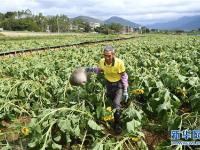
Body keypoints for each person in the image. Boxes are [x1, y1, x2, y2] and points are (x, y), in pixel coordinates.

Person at [85, 45, 128, 134]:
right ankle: (117, 113)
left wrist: (125, 89)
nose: (107, 57)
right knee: (112, 102)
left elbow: (124, 76)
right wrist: (91, 69)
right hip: (108, 84)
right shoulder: (102, 62)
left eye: (109, 55)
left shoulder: (119, 63)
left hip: (118, 84)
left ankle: (117, 125)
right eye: (105, 55)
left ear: (113, 55)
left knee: (116, 104)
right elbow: (100, 70)